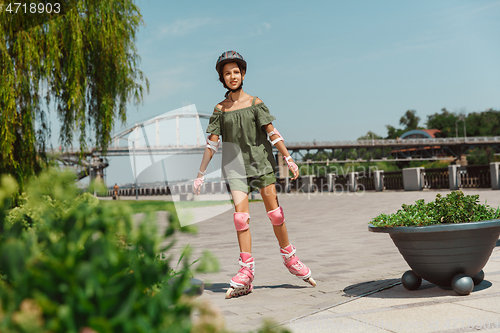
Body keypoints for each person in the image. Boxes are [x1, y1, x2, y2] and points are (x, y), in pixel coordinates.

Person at [193, 51, 316, 299]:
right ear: (222, 78)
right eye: (227, 73)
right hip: (235, 168)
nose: (232, 76)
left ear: (243, 74)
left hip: (261, 164)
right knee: (241, 219)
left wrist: (288, 158)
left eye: (236, 72)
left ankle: (290, 258)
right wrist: (200, 173)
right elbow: (212, 144)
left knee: (275, 214)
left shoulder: (255, 103)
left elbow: (273, 133)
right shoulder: (220, 109)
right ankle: (246, 271)